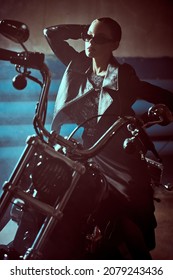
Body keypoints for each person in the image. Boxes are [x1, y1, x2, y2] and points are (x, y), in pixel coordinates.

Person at [43, 17, 173, 259]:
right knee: (56, 192)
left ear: (115, 44)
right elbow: (50, 33)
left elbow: (157, 94)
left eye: (100, 39)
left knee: (132, 209)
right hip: (84, 146)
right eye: (88, 37)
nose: (91, 42)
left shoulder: (123, 75)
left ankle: (142, 263)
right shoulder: (78, 62)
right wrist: (86, 30)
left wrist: (153, 115)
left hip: (118, 149)